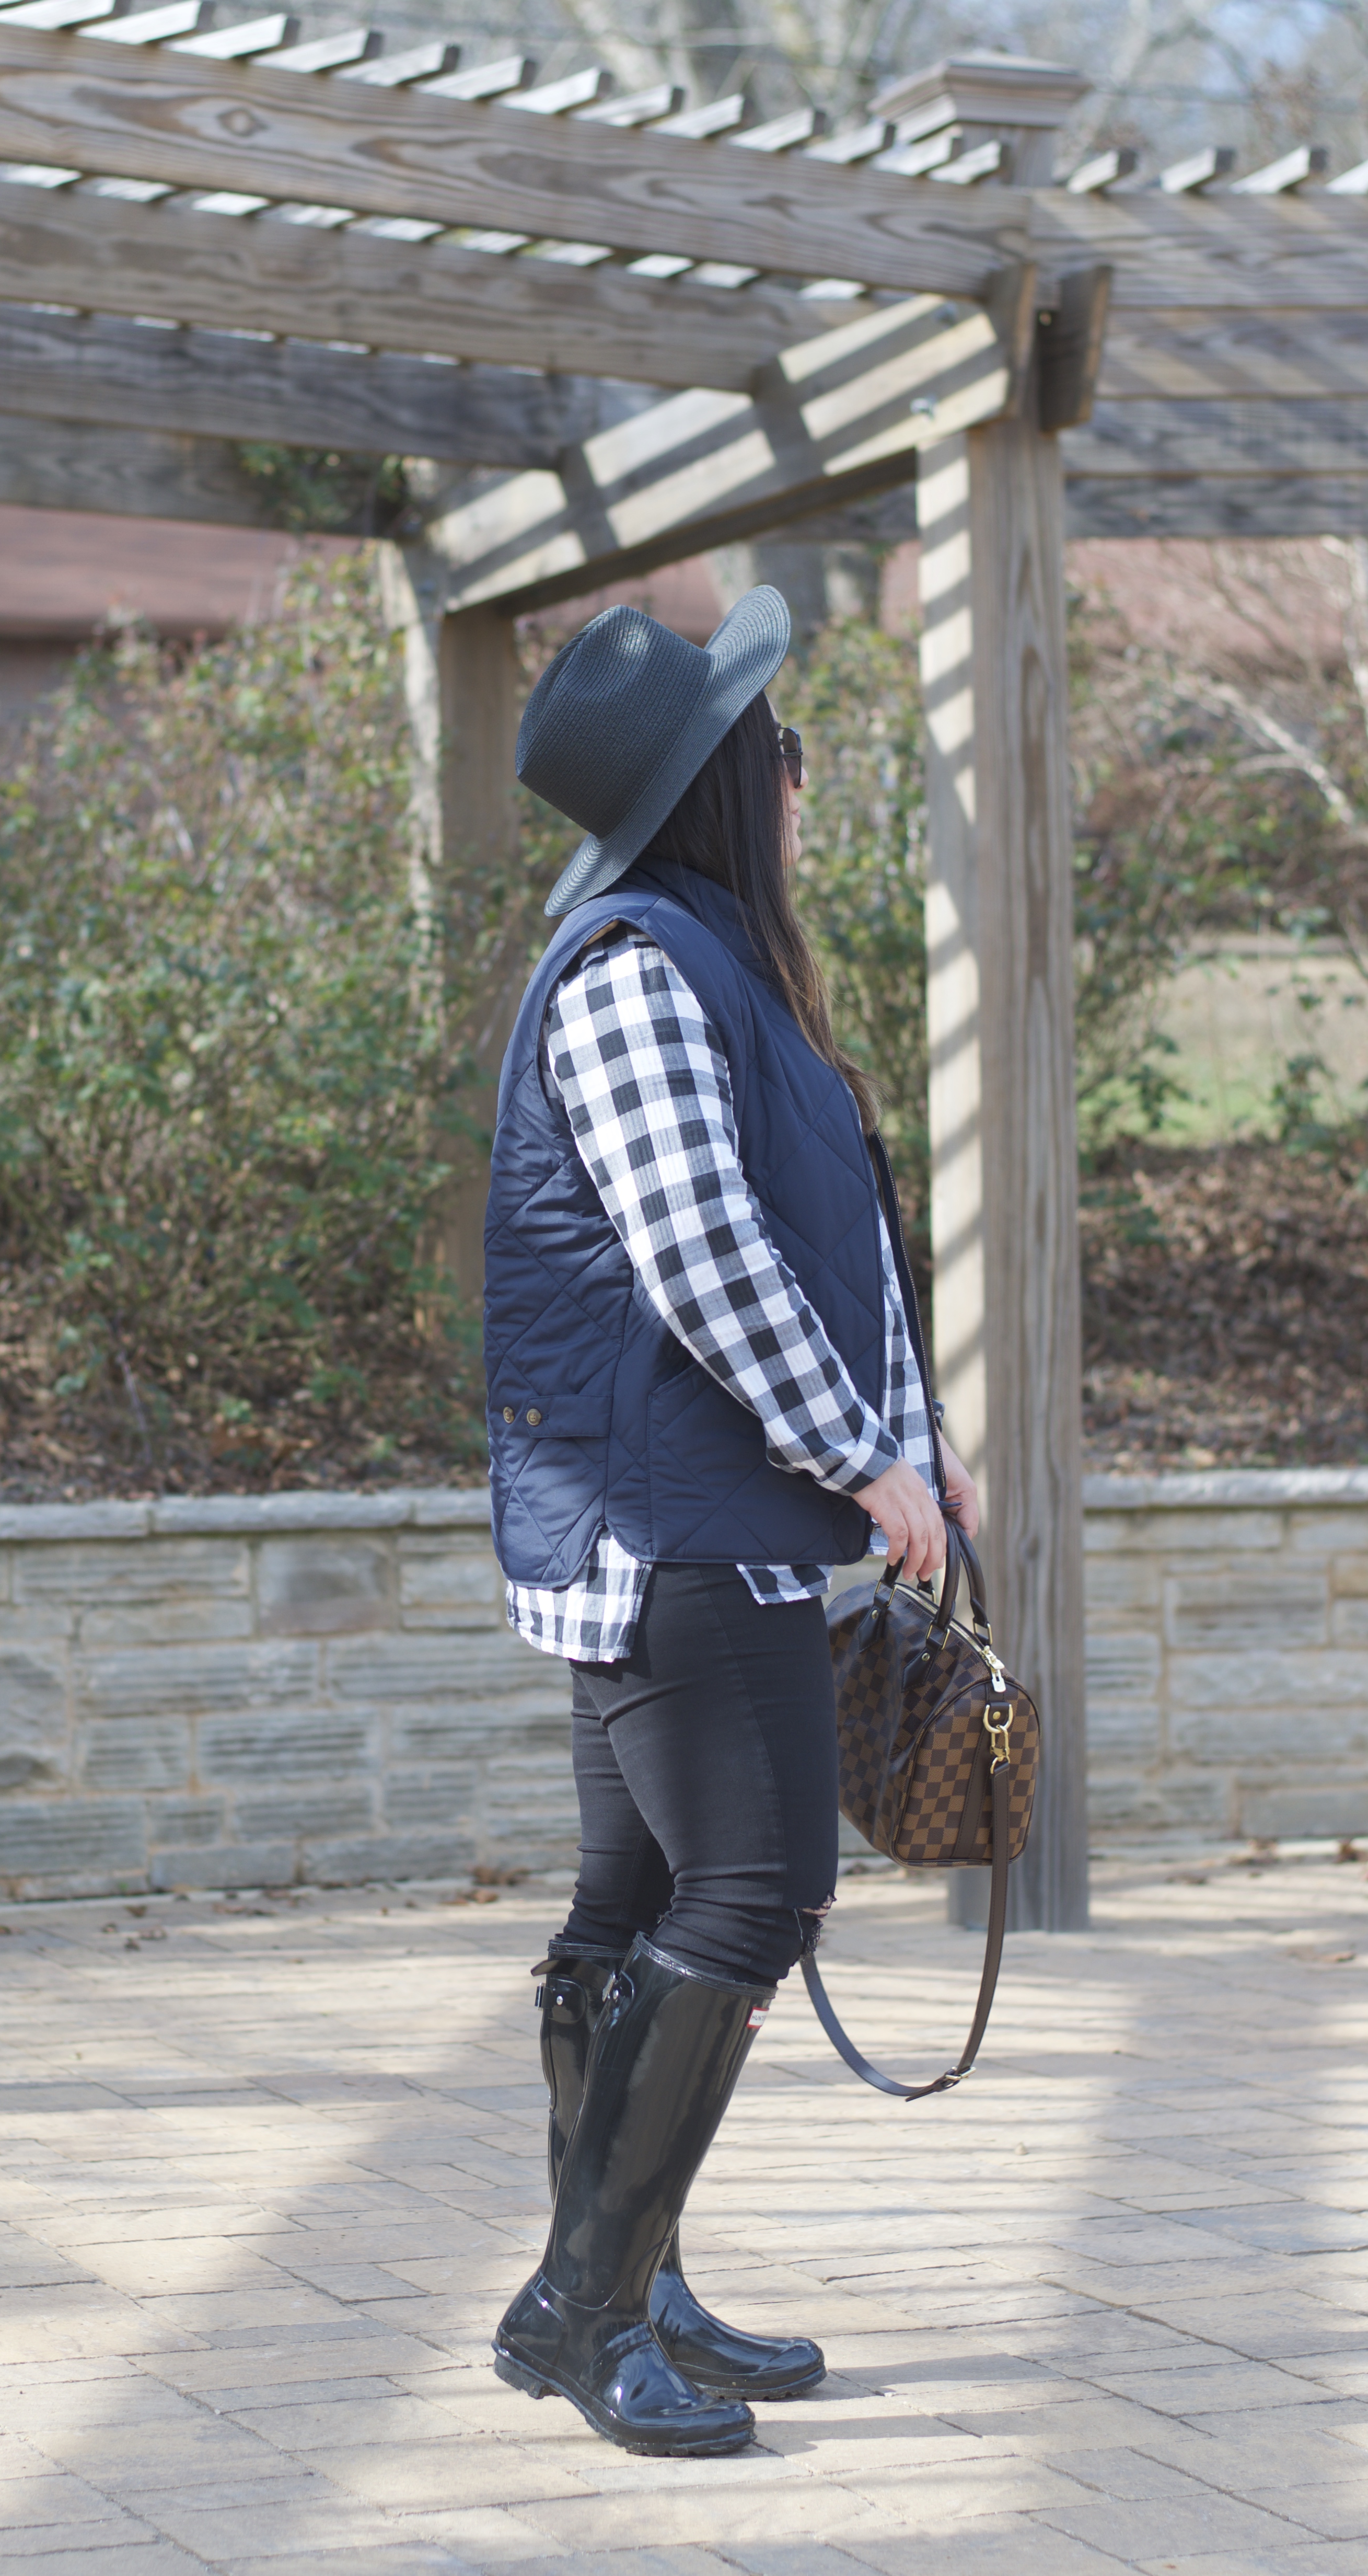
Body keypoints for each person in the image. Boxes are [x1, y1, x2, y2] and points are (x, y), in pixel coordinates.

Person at [482, 588, 980, 2458]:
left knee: (636, 1907)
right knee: (754, 1897)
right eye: (783, 750)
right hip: (675, 1525)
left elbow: (838, 1249)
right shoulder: (637, 973)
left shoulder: (716, 971)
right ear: (721, 783)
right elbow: (702, 1255)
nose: (800, 777)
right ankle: (583, 2307)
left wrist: (919, 1444)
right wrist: (861, 1459)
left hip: (697, 1515)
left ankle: (629, 2290)